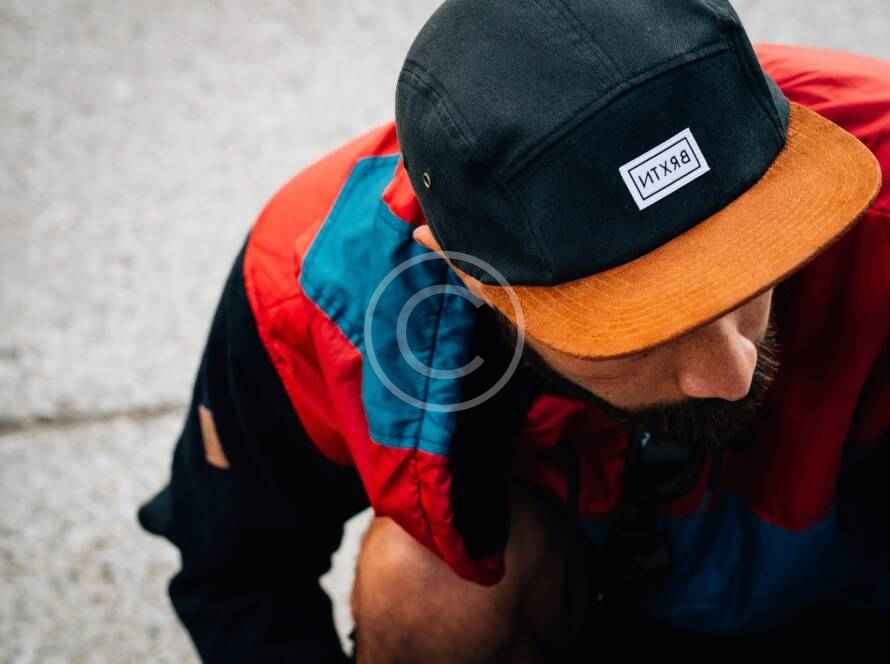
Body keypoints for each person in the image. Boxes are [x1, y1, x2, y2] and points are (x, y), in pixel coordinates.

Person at [137, 1, 890, 660]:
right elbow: (240, 575)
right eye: (641, 323)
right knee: (422, 596)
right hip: (566, 601)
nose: (731, 371)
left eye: (751, 266)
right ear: (465, 274)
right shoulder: (314, 287)